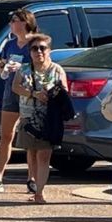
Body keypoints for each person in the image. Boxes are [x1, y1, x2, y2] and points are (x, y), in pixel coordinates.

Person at [0, 9, 38, 193]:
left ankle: (32, 178)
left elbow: (42, 66)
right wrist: (2, 66)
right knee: (6, 135)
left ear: (24, 22)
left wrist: (22, 67)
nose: (11, 24)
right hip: (11, 91)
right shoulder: (10, 45)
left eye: (14, 20)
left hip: (29, 93)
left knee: (30, 137)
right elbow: (3, 74)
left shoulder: (35, 44)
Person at [12, 34, 68, 204]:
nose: (39, 52)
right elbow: (15, 87)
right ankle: (34, 185)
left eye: (42, 48)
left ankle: (39, 193)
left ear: (49, 50)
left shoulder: (57, 69)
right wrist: (33, 93)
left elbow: (65, 90)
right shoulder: (24, 70)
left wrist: (52, 94)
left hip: (49, 118)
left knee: (44, 155)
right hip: (28, 117)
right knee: (32, 152)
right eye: (34, 48)